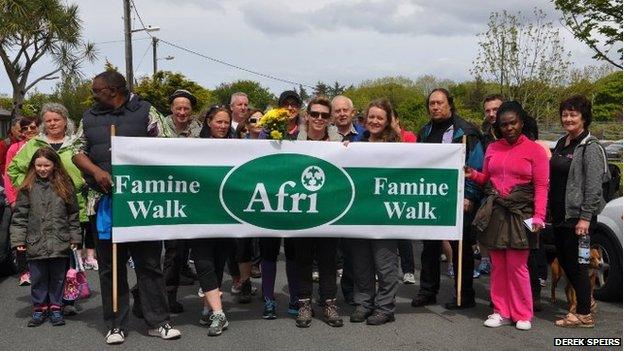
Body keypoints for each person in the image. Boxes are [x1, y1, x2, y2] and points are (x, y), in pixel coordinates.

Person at [72, 70, 180, 345]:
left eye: (97, 90)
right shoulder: (90, 117)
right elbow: (76, 151)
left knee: (149, 263)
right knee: (110, 267)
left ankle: (158, 321)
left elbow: (168, 147)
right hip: (105, 203)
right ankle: (116, 324)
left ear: (114, 90)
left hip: (142, 204)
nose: (93, 94)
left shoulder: (145, 111)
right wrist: (96, 171)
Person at [466, 101, 549, 331]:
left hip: (521, 212)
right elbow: (486, 179)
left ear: (521, 122)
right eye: (504, 124)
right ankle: (499, 310)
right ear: (498, 127)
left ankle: (523, 313)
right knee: (498, 264)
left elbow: (542, 186)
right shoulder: (493, 148)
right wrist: (472, 174)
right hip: (496, 211)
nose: (509, 128)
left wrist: (539, 216)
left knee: (517, 265)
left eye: (513, 123)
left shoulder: (535, 150)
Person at [411, 88, 484, 310]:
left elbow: (476, 164)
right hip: (432, 198)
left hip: (459, 199)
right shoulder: (424, 132)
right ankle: (427, 291)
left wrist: (469, 196)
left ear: (449, 105)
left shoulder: (467, 132)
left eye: (439, 103)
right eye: (432, 103)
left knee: (461, 248)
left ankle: (464, 294)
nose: (435, 107)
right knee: (429, 248)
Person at [550, 96, 609, 328]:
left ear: (584, 117)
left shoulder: (590, 147)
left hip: (579, 219)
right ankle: (587, 302)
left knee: (579, 265)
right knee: (566, 261)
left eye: (573, 114)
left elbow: (594, 186)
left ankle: (584, 314)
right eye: (565, 114)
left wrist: (585, 217)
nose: (568, 119)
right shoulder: (562, 142)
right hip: (560, 216)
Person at [10, 147, 82, 327]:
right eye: (38, 165)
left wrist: (75, 237)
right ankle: (39, 308)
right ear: (33, 166)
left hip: (60, 240)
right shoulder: (28, 187)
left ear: (55, 165)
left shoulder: (65, 184)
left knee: (58, 277)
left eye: (46, 165)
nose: (42, 169)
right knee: (38, 277)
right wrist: (18, 240)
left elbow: (73, 214)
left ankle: (56, 307)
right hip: (35, 241)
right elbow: (20, 216)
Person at [348, 98, 401, 326]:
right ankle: (364, 303)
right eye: (371, 117)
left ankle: (385, 307)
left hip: (384, 215)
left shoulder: (397, 146)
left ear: (388, 120)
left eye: (380, 117)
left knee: (385, 263)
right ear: (365, 119)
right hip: (359, 212)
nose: (375, 121)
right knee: (361, 264)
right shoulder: (355, 143)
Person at [293, 96, 343, 328]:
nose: (319, 119)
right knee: (302, 259)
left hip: (328, 210)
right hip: (301, 210)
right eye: (315, 114)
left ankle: (329, 303)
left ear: (330, 118)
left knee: (328, 260)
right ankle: (304, 303)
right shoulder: (292, 141)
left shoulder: (340, 144)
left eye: (324, 115)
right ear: (307, 116)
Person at [158, 89, 203, 313]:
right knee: (170, 251)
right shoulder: (157, 128)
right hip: (165, 194)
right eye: (179, 108)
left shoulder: (199, 131)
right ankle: (162, 295)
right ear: (172, 109)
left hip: (192, 194)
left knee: (184, 250)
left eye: (186, 108)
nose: (182, 112)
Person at [258, 91, 301, 320]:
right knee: (269, 252)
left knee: (293, 254)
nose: (290, 108)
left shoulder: (303, 132)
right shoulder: (267, 130)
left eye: (294, 105)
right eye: (286, 104)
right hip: (270, 199)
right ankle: (268, 300)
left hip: (297, 200)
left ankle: (295, 298)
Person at [195, 106, 235, 336]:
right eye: (218, 122)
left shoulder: (237, 145)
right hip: (200, 213)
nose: (222, 126)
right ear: (209, 121)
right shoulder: (195, 144)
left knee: (218, 261)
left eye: (226, 122)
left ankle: (208, 307)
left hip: (227, 215)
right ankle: (219, 313)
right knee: (203, 261)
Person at [4, 116, 40, 286]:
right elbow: (8, 175)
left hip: (42, 196)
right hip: (21, 197)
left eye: (33, 127)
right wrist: (12, 199)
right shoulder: (14, 148)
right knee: (21, 235)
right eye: (25, 128)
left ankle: (39, 268)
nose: (29, 131)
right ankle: (24, 271)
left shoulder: (43, 146)